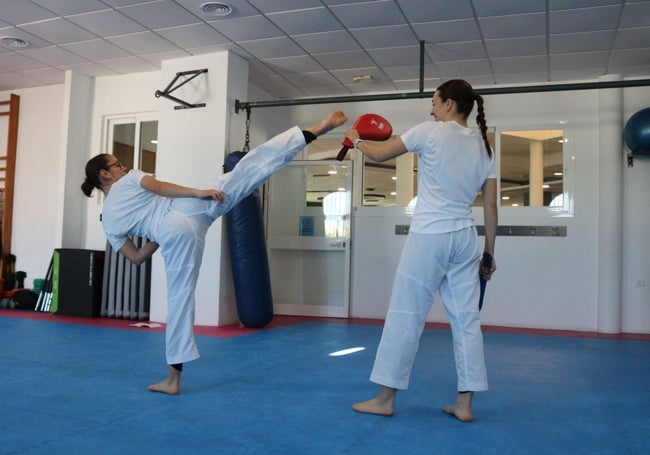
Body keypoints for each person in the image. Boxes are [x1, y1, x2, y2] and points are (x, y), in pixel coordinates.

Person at [81, 110, 348, 395]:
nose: (124, 167)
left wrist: (162, 234)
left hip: (171, 234)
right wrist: (198, 191)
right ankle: (320, 126)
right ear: (105, 174)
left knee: (180, 300)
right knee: (249, 170)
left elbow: (136, 257)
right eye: (117, 164)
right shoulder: (130, 179)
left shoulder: (108, 221)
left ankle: (172, 380)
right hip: (186, 208)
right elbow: (161, 188)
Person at [347, 79, 497, 421]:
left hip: (430, 235)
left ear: (448, 104)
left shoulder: (430, 131)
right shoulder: (484, 145)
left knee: (406, 312)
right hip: (465, 238)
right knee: (467, 320)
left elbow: (381, 152)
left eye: (434, 101)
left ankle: (385, 399)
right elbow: (491, 205)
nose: (430, 108)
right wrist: (489, 252)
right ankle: (465, 404)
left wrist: (355, 139)